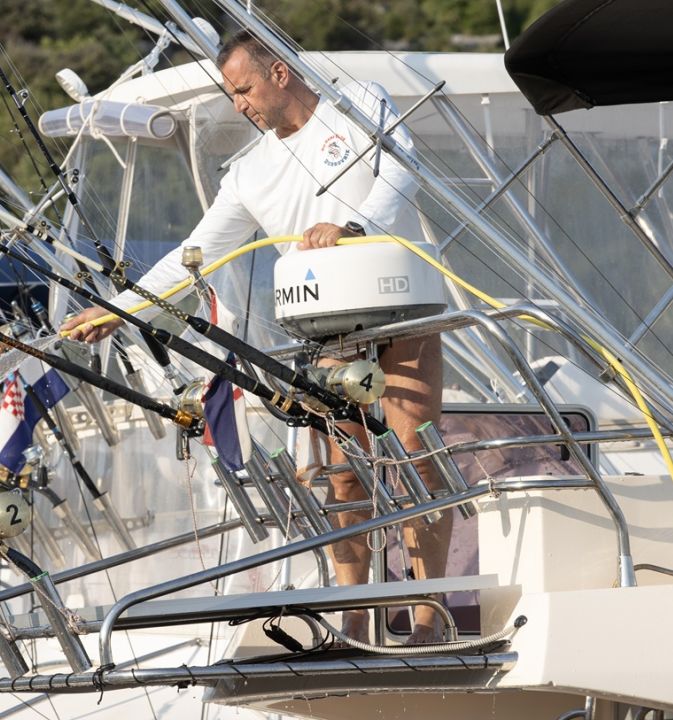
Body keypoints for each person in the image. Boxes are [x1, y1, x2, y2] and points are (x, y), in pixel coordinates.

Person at [61, 29, 452, 644]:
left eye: (242, 89)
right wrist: (122, 309)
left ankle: (428, 622)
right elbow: (198, 253)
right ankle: (353, 620)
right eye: (230, 93)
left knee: (413, 463)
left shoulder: (359, 104)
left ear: (279, 75)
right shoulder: (247, 174)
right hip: (326, 331)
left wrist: (349, 226)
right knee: (346, 477)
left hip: (402, 307)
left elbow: (403, 174)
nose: (238, 104)